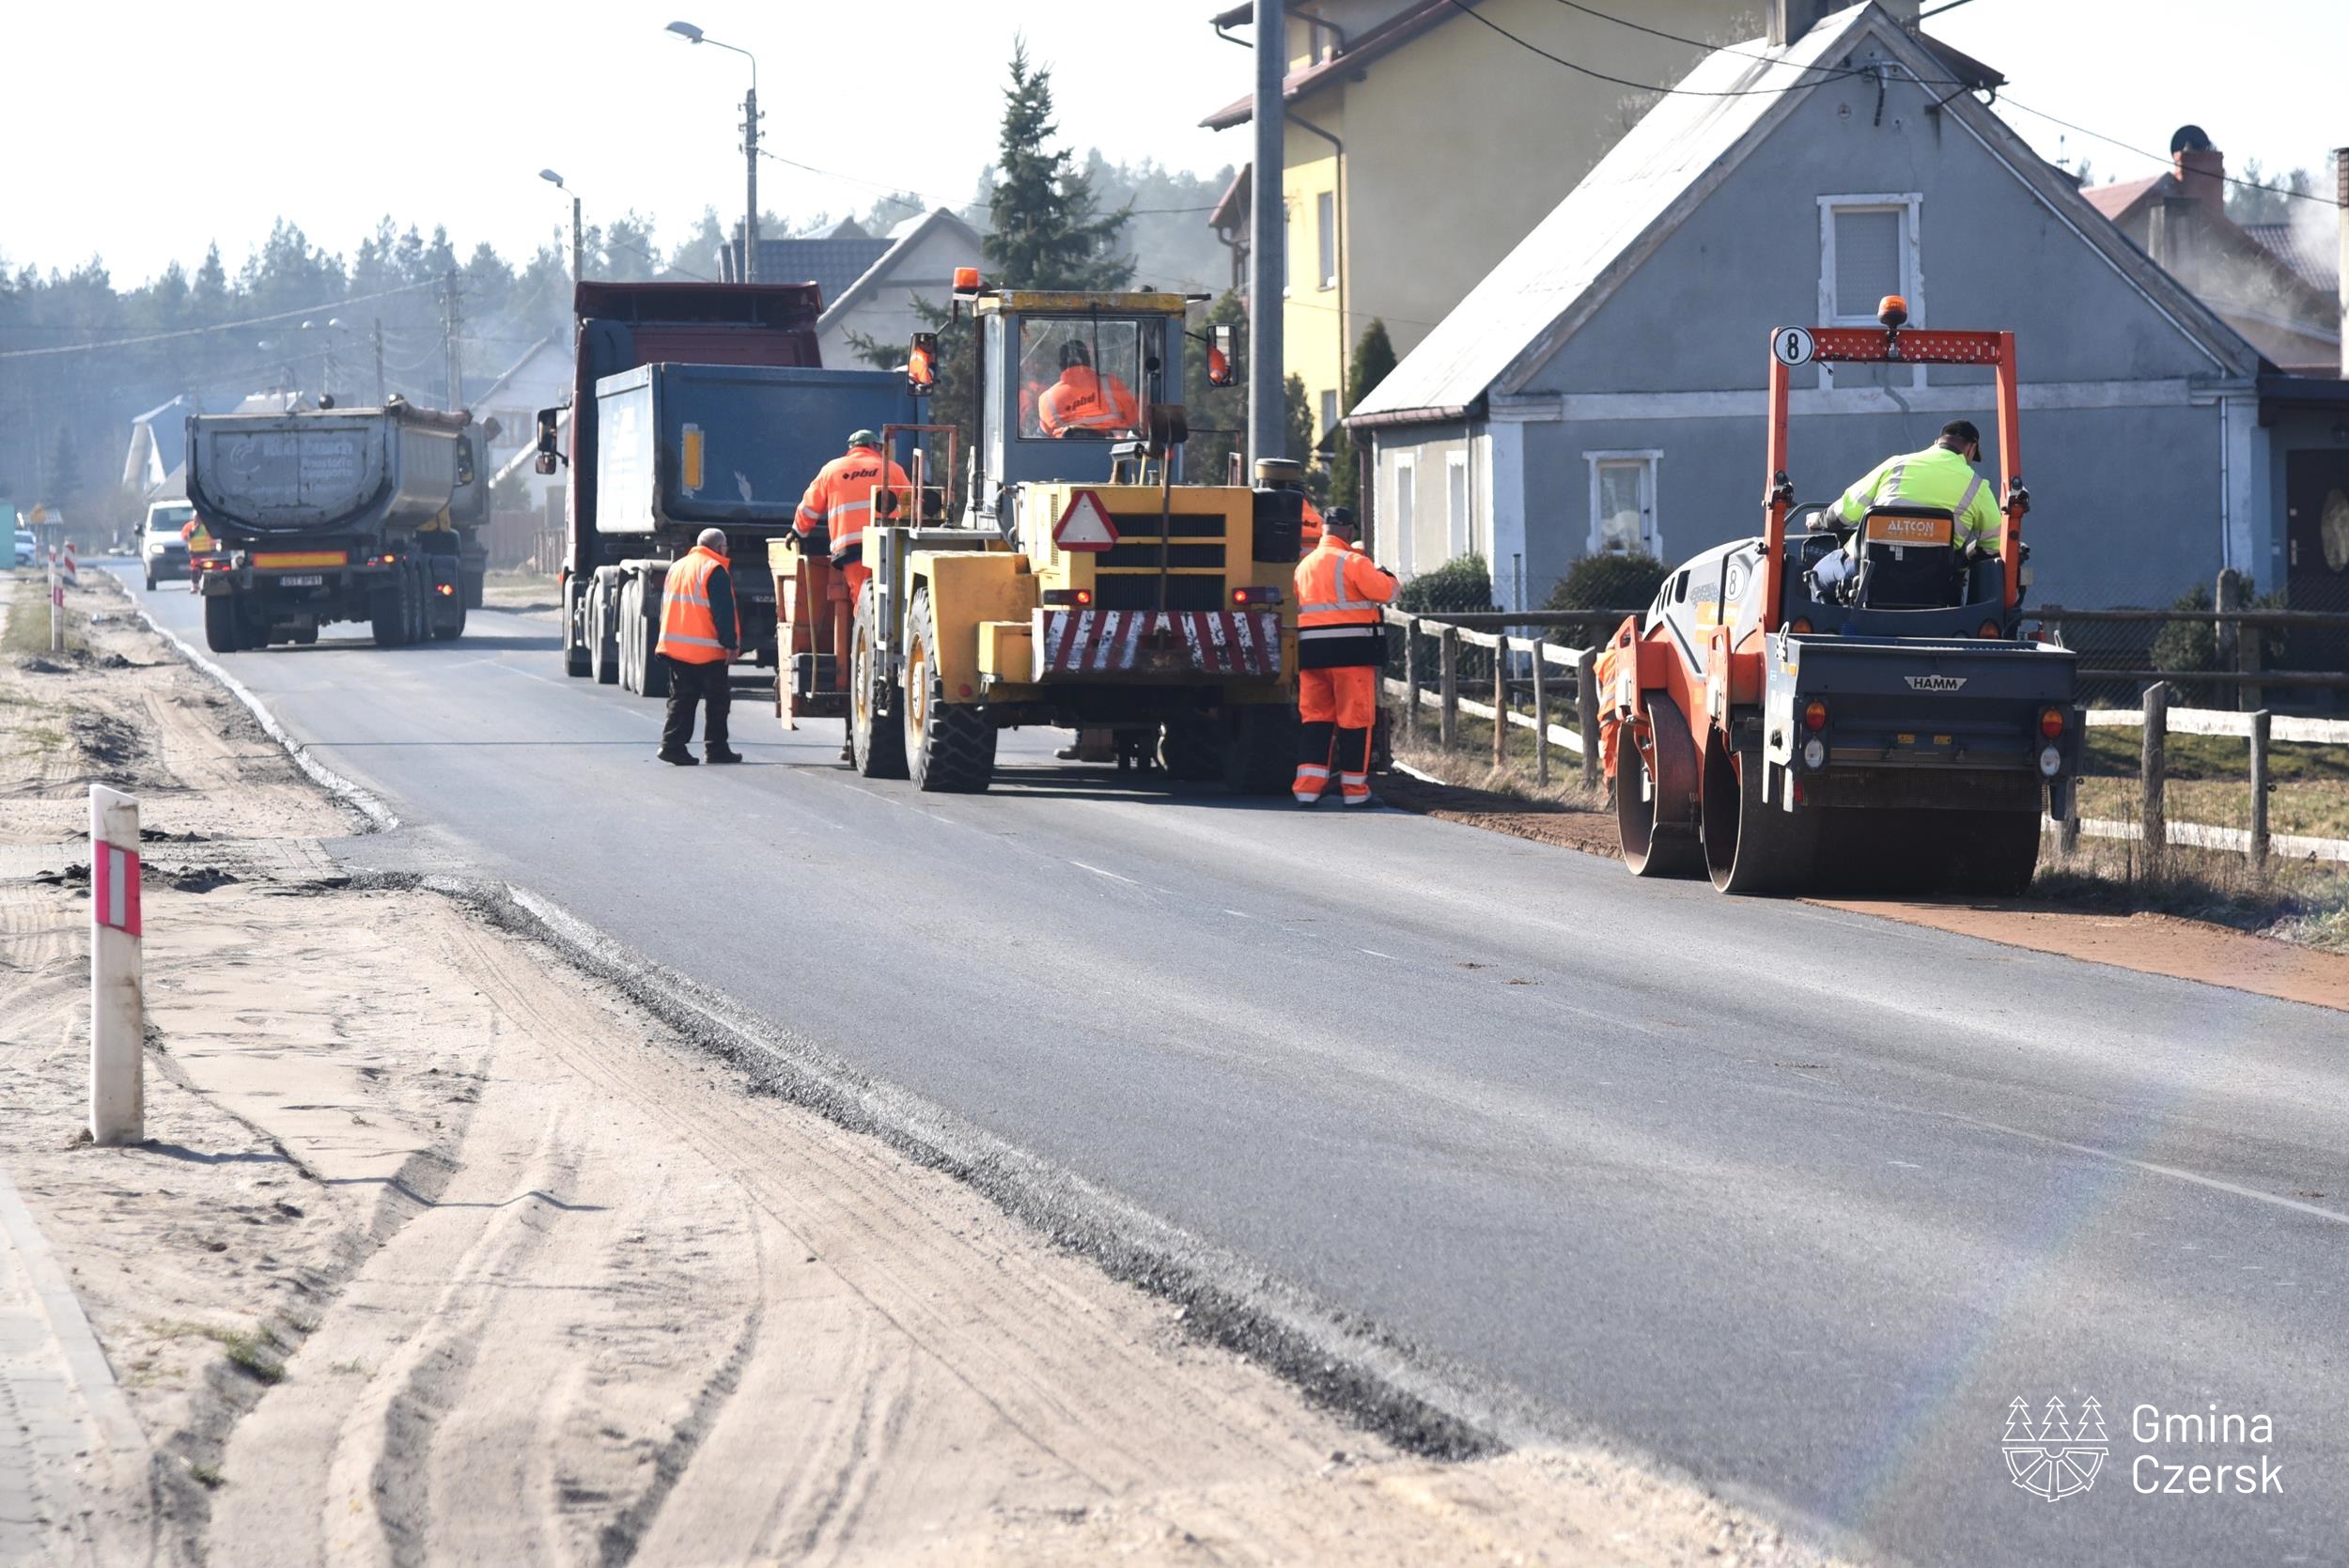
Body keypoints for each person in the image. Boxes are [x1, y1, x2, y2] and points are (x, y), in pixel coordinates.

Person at [1291, 509, 1395, 807]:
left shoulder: (1304, 566)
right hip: (1351, 653)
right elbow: (1387, 592)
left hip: (1312, 655)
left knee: (1316, 721)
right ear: (1349, 532)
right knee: (1356, 721)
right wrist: (1387, 575)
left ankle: (1307, 790)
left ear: (1324, 530)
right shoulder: (1353, 562)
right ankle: (1355, 792)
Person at [1832, 419, 2004, 556]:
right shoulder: (1977, 486)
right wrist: (1965, 556)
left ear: (1936, 442)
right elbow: (1994, 544)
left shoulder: (1896, 464)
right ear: (1971, 448)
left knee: (1817, 574)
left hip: (1869, 573)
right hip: (1934, 586)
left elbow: (1845, 513)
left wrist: (1820, 520)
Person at [794, 430, 910, 607]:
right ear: (873, 446)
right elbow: (913, 504)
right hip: (888, 544)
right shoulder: (892, 469)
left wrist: (798, 531)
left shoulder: (832, 470)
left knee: (863, 598)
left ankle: (865, 631)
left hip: (851, 546)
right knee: (894, 597)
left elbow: (809, 507)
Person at [655, 527, 741, 767]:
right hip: (706, 649)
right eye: (725, 546)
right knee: (718, 700)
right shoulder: (714, 570)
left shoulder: (678, 566)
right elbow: (723, 612)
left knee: (681, 698)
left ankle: (671, 745)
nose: (727, 550)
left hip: (675, 646)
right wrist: (730, 645)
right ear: (718, 548)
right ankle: (716, 749)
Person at [1036, 341, 1140, 438]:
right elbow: (1135, 420)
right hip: (1114, 452)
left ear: (1060, 365)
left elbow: (1044, 435)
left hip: (1064, 454)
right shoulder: (1111, 383)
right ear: (1088, 361)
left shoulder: (1046, 399)